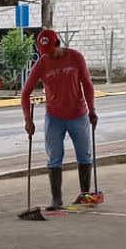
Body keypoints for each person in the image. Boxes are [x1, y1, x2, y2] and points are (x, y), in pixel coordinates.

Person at [19, 27, 97, 209]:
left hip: (79, 115)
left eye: (51, 51)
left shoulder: (76, 57)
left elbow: (87, 84)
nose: (48, 55)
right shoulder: (41, 64)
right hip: (54, 117)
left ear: (57, 43)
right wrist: (27, 119)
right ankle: (56, 198)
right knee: (54, 157)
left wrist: (92, 109)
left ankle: (85, 195)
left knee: (84, 155)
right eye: (44, 52)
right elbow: (25, 93)